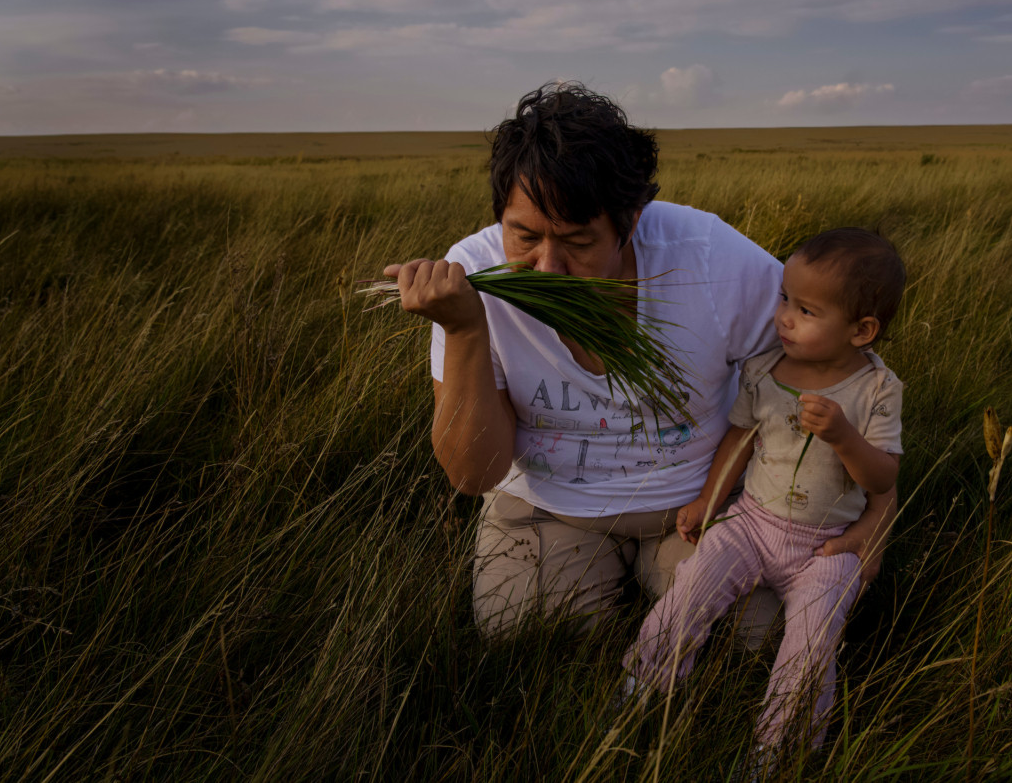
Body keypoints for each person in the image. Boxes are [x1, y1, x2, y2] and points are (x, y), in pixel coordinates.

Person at [384, 82, 898, 637]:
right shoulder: (471, 274)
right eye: (524, 236)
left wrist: (880, 514)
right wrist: (463, 330)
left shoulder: (712, 260)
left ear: (631, 219)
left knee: (751, 640)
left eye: (578, 242)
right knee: (526, 636)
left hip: (702, 507)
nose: (547, 267)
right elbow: (473, 473)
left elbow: (845, 372)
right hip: (547, 508)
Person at [622, 227, 906, 758]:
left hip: (829, 546)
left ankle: (779, 750)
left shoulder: (876, 391)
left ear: (862, 330)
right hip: (751, 523)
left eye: (806, 310)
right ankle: (645, 689)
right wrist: (710, 499)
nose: (784, 317)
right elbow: (740, 439)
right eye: (784, 299)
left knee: (810, 644)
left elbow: (883, 478)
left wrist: (844, 436)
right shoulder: (764, 369)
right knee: (689, 591)